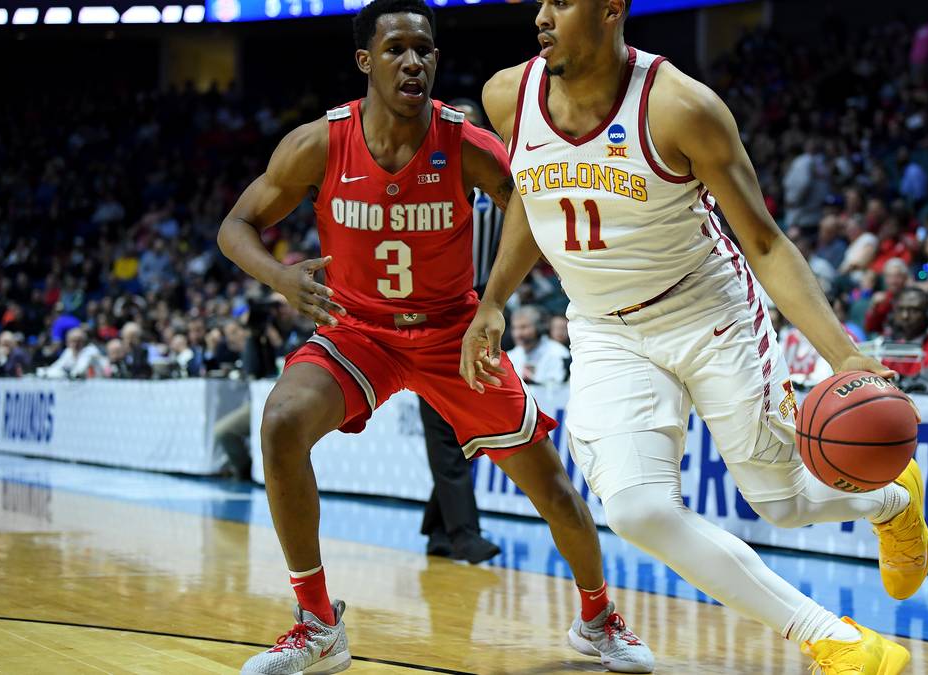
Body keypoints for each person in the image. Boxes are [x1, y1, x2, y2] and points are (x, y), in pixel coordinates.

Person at [462, 2, 928, 671]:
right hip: (602, 327)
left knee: (782, 501)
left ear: (610, 10)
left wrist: (846, 355)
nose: (541, 15)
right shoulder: (508, 95)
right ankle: (832, 638)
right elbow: (536, 205)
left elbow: (764, 243)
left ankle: (892, 496)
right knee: (635, 508)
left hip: (707, 311)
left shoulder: (681, 106)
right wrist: (494, 299)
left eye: (561, 1)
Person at [218, 3, 652, 673]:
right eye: (396, 50)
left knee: (553, 489)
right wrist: (280, 276)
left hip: (453, 333)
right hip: (359, 334)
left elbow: (532, 213)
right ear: (367, 61)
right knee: (279, 421)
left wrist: (497, 302)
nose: (413, 61)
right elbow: (236, 226)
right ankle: (317, 623)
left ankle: (598, 616)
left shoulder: (465, 142)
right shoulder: (320, 142)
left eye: (424, 49)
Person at [417, 96, 503, 566]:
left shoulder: (497, 188)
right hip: (434, 311)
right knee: (448, 427)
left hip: (482, 304)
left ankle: (438, 528)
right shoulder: (422, 189)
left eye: (467, 127)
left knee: (472, 424)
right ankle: (463, 532)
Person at [507, 305, 570, 385]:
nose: (517, 334)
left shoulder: (558, 353)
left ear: (538, 327)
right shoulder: (510, 356)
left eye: (523, 327)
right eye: (514, 328)